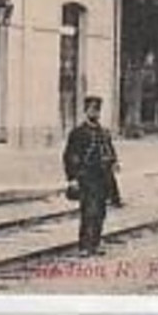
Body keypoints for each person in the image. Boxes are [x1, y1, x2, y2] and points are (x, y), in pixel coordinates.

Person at [63, 95, 119, 256]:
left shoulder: (103, 132)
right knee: (88, 211)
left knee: (101, 212)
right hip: (86, 177)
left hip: (103, 177)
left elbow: (110, 150)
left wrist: (114, 162)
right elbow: (69, 156)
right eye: (92, 109)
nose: (95, 113)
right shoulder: (78, 133)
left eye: (97, 110)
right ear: (85, 111)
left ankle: (95, 244)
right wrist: (72, 178)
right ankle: (84, 246)